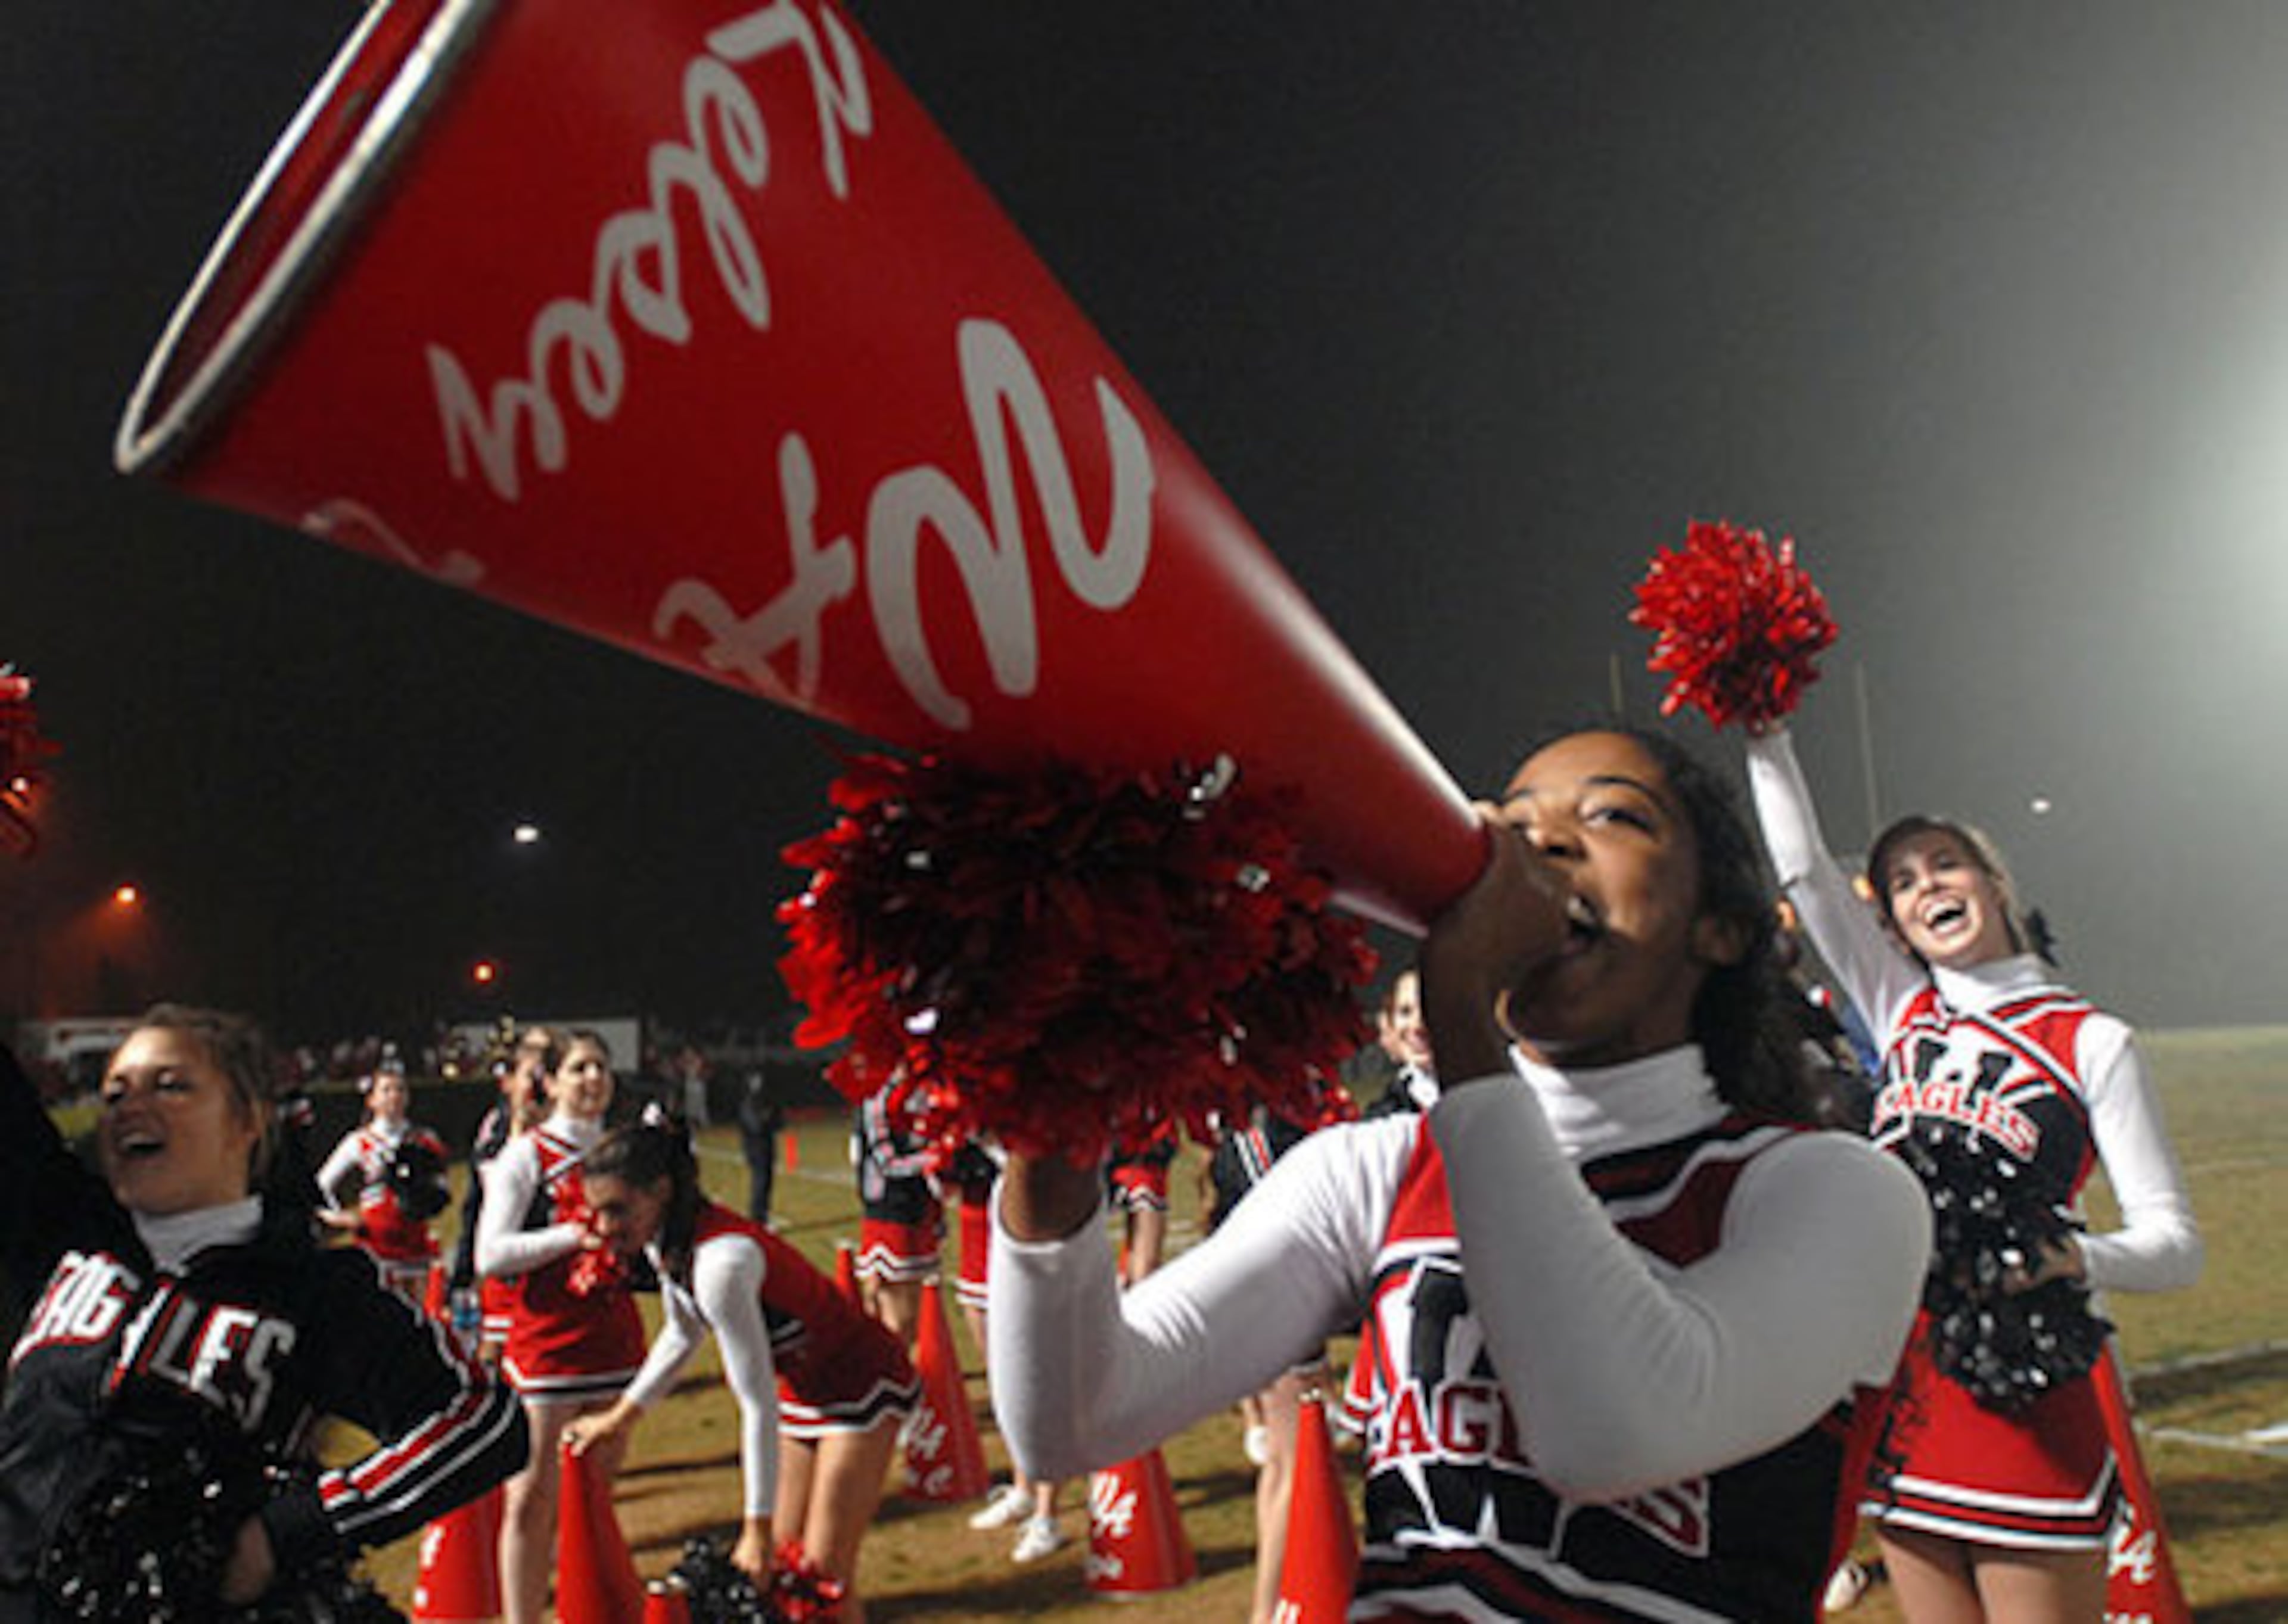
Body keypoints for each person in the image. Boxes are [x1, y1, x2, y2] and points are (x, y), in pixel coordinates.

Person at [989, 726, 1932, 1620]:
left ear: (1721, 927)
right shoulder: (1378, 1168)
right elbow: (1078, 1418)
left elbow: (1610, 1428)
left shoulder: (1839, 1192)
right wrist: (1056, 1118)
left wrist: (1465, 1017)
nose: (1544, 844)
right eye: (1514, 829)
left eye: (1612, 816)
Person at [1745, 721, 2204, 1622]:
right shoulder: (1899, 1004)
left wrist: (2071, 1258)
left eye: (1945, 864)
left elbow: (2176, 1244)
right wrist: (1767, 725)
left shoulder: (2092, 1040)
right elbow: (1803, 871)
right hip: (1906, 1385)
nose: (1927, 888)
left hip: (2025, 1392)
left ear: (1994, 883)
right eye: (1904, 881)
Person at [0, 1008, 526, 1622]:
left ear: (247, 1119)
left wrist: (288, 1531)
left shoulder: (311, 1286)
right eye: (115, 1091)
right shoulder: (66, 1231)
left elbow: (484, 1420)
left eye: (170, 1084)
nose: (131, 1105)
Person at [565, 1122, 917, 1623]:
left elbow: (756, 1404)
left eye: (616, 1209)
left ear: (660, 1191)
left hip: (861, 1383)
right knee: (785, 1577)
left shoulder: (721, 1265)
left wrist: (756, 1527)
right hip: (805, 1387)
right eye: (597, 1209)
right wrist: (619, 1418)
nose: (603, 1226)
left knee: (822, 1574)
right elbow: (682, 1333)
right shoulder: (665, 1240)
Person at [475, 1028, 649, 1624]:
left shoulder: (625, 1149)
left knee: (595, 1498)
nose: (594, 1078)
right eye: (578, 1068)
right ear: (550, 1080)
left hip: (615, 1340)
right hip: (548, 1344)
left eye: (601, 1066)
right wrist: (575, 1235)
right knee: (529, 1497)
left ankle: (588, 1607)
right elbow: (489, 1253)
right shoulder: (527, 1153)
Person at [314, 1054, 452, 1308]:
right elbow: (320, 1186)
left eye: (400, 1089)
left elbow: (444, 1187)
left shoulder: (424, 1138)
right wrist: (339, 1217)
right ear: (372, 1099)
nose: (394, 1096)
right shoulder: (359, 1141)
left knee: (418, 1319)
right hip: (376, 1245)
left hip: (415, 1245)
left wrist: (429, 1199)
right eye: (386, 1090)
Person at [449, 1023, 554, 1358]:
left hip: (553, 1276)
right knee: (495, 1360)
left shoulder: (570, 1131)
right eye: (532, 1075)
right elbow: (479, 1201)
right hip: (506, 1275)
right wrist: (462, 1273)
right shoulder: (495, 1127)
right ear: (508, 1082)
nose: (540, 1085)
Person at [850, 1085, 940, 1346]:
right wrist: (939, 1156)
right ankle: (889, 1376)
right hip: (892, 1212)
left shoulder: (923, 1087)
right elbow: (887, 1161)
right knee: (899, 1319)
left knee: (906, 1316)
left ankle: (884, 1374)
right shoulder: (879, 1097)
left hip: (918, 1209)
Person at [1361, 966, 1440, 1118]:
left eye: (1431, 1009)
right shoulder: (1382, 1119)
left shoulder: (1492, 1099)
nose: (1418, 1025)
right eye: (1405, 1012)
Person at [736, 1065, 786, 1224]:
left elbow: (780, 1123)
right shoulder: (749, 1103)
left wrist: (770, 1118)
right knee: (760, 1183)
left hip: (766, 1146)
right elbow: (756, 1125)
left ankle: (762, 1215)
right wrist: (768, 1118)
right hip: (756, 1148)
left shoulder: (766, 1101)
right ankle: (757, 1217)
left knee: (766, 1183)